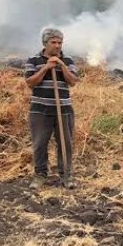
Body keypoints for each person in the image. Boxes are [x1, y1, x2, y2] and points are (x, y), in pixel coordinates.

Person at [24, 28, 80, 189]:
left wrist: (62, 66)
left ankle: (66, 175)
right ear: (45, 43)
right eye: (53, 42)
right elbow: (30, 82)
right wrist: (46, 67)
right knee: (40, 143)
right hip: (40, 110)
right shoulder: (33, 60)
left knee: (65, 143)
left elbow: (73, 81)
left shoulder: (68, 60)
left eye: (60, 42)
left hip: (63, 109)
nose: (57, 46)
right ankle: (40, 175)